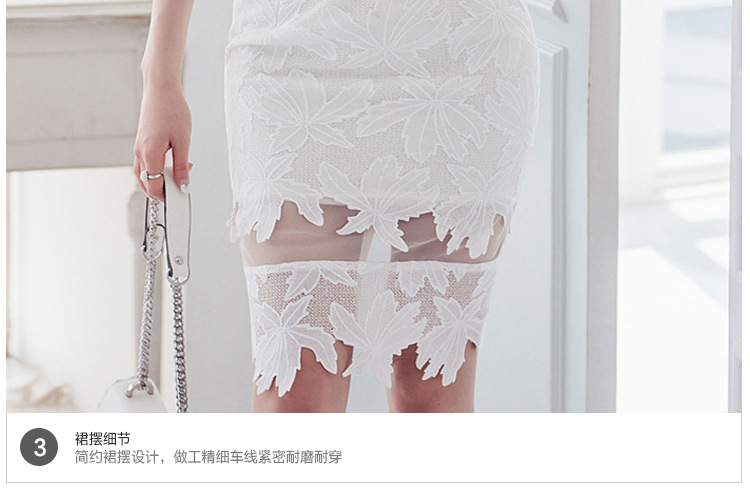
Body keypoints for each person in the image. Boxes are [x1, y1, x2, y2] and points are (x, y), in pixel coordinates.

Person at [133, 0, 541, 413]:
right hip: (290, 58)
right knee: (293, 392)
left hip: (462, 55)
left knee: (433, 392)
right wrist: (159, 77)